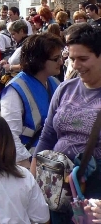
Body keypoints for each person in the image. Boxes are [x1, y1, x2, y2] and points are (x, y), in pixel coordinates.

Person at [33, 24, 101, 223]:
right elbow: (47, 135)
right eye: (72, 59)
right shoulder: (65, 89)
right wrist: (33, 180)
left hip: (94, 193)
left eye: (83, 59)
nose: (76, 65)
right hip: (57, 188)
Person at [0, 34, 62, 169]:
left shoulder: (55, 83)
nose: (61, 62)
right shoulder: (15, 89)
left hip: (52, 163)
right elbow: (10, 135)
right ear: (39, 61)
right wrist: (28, 168)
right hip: (27, 164)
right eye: (56, 58)